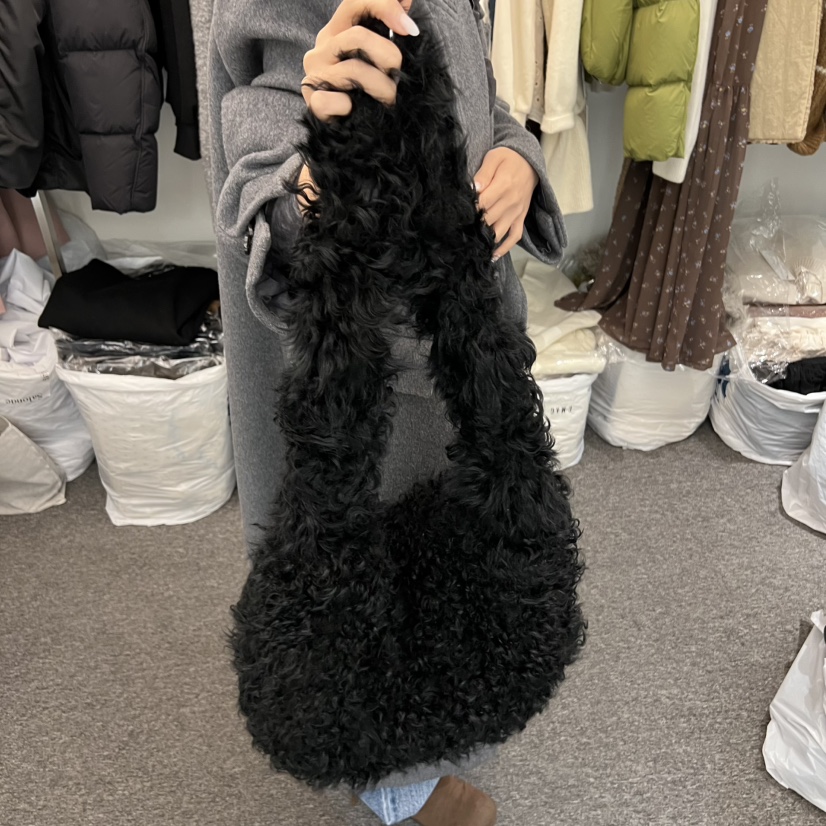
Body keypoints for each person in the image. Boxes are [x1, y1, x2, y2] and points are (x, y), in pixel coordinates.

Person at [207, 0, 567, 823]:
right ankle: (403, 791)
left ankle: (413, 769)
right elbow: (261, 175)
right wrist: (320, 176)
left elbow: (474, 88)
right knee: (373, 612)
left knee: (443, 596)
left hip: (436, 348)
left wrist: (514, 154)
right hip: (392, 370)